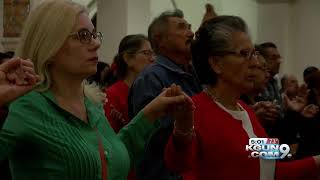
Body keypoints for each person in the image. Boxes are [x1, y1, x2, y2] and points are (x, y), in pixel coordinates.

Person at [0, 1, 191, 180]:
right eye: (83, 36)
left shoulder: (90, 104)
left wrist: (151, 113)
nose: (96, 44)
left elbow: (109, 159)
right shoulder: (27, 105)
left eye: (94, 35)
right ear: (50, 44)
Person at [165, 15, 320, 180]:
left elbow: (270, 169)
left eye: (253, 53)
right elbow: (177, 164)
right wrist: (182, 131)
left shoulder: (246, 111)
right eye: (244, 54)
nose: (255, 63)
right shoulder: (196, 110)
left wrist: (315, 158)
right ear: (216, 63)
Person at [128, 9, 202, 180]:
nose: (190, 33)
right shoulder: (151, 77)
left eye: (189, 27)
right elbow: (149, 136)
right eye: (182, 28)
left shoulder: (192, 73)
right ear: (159, 39)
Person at [104, 34, 154, 133]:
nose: (152, 59)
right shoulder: (111, 95)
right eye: (146, 53)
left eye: (152, 53)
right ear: (128, 58)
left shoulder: (151, 90)